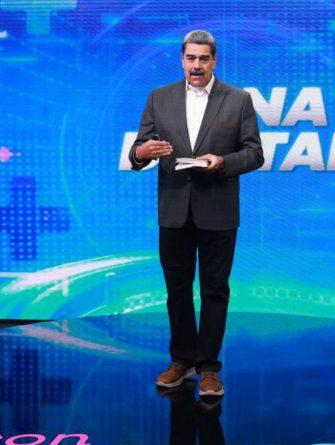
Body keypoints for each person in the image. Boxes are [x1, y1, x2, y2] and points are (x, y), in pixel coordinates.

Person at [128, 30, 264, 396]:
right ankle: (182, 360)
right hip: (174, 211)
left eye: (204, 58)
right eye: (191, 58)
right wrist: (141, 153)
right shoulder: (159, 98)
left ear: (214, 60)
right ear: (182, 60)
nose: (197, 65)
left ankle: (208, 368)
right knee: (177, 290)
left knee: (215, 290)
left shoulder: (238, 100)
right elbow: (138, 149)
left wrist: (222, 162)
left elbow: (255, 154)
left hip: (218, 211)